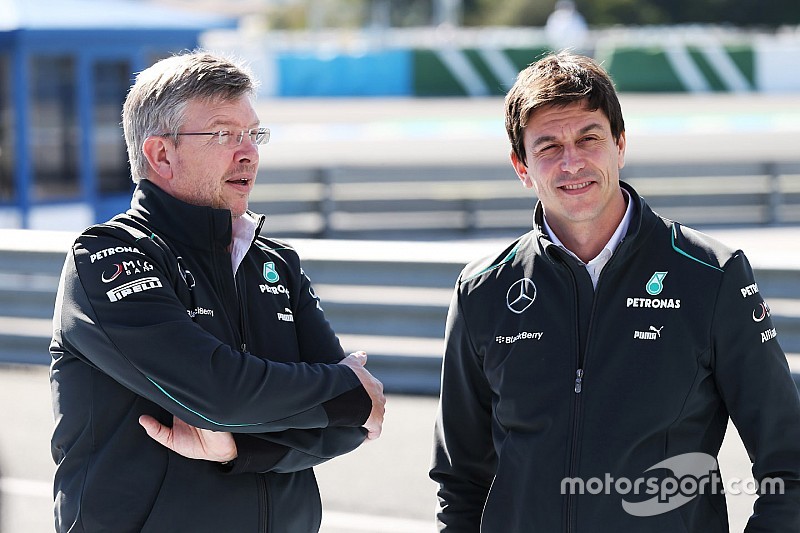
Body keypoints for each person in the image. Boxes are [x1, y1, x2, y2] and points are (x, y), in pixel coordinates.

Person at [430, 52, 800, 532]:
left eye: (589, 138)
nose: (572, 162)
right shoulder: (481, 291)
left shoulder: (712, 275)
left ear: (620, 144)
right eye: (548, 147)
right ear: (521, 167)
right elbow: (459, 485)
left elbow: (788, 465)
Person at [49, 51, 385, 533]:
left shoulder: (274, 262)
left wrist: (238, 448)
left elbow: (342, 429)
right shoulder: (109, 257)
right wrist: (349, 392)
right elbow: (217, 392)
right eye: (225, 134)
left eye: (254, 134)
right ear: (160, 154)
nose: (248, 151)